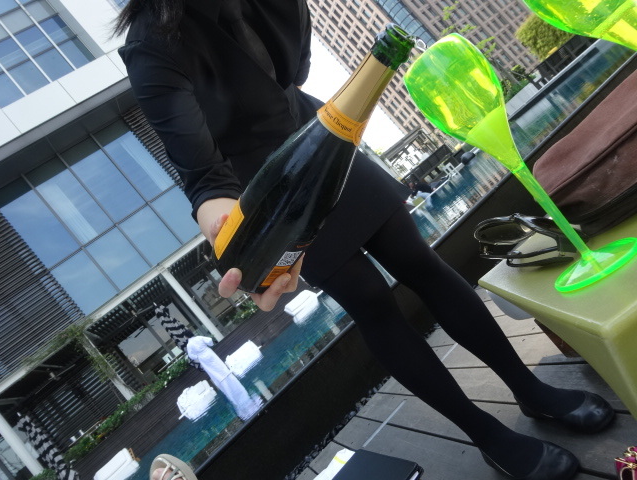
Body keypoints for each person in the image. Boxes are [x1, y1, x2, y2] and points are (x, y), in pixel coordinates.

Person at [115, 2, 614, 479]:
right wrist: (226, 225)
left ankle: (530, 389)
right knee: (371, 302)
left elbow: (297, 67)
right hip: (269, 193)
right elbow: (202, 176)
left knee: (421, 262)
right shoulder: (151, 44)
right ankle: (487, 434)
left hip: (321, 135)